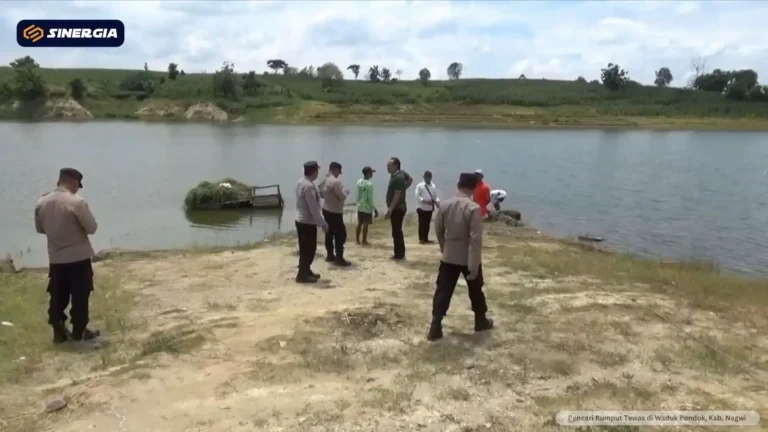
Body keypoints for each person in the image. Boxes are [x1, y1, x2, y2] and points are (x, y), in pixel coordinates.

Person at [35, 168, 101, 344]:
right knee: (80, 295)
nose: (77, 189)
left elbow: (40, 229)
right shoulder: (77, 203)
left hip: (56, 258)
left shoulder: (41, 203)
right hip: (78, 257)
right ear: (73, 183)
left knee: (58, 295)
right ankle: (79, 331)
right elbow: (92, 228)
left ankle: (59, 330)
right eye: (77, 186)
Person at [428, 172, 494, 342]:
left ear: (458, 186)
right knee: (475, 289)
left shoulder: (445, 205)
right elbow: (475, 239)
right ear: (473, 188)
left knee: (443, 290)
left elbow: (438, 230)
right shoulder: (473, 208)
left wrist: (445, 247)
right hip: (467, 257)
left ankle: (436, 324)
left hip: (449, 255)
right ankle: (480, 321)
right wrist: (473, 265)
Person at [295, 161, 329, 283]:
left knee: (306, 247)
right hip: (307, 222)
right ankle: (302, 275)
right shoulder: (308, 187)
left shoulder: (301, 182)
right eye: (317, 171)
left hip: (300, 219)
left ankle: (306, 270)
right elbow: (313, 208)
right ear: (314, 172)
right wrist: (323, 223)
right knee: (308, 249)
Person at [320, 162, 351, 266]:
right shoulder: (335, 182)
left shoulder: (323, 179)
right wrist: (346, 192)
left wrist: (329, 197)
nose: (339, 174)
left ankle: (330, 255)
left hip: (326, 208)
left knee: (329, 233)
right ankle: (339, 258)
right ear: (335, 169)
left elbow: (320, 193)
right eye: (338, 171)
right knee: (340, 234)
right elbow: (342, 196)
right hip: (335, 212)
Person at [384, 157, 412, 260]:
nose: (387, 167)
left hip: (398, 208)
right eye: (387, 165)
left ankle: (399, 254)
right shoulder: (401, 173)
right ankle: (400, 253)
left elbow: (396, 195)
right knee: (396, 231)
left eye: (389, 165)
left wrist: (390, 210)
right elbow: (410, 180)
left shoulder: (398, 178)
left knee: (396, 231)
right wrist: (404, 187)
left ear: (396, 166)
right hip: (398, 207)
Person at [414, 170, 440, 244]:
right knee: (421, 223)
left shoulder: (433, 186)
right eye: (426, 177)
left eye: (429, 177)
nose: (428, 178)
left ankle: (426, 238)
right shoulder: (420, 185)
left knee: (427, 223)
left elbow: (435, 196)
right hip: (421, 207)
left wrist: (438, 203)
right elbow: (417, 195)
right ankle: (421, 239)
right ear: (424, 177)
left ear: (431, 177)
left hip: (429, 208)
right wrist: (424, 200)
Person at [355, 166, 379, 245]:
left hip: (360, 205)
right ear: (368, 173)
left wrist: (358, 203)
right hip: (367, 207)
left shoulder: (359, 182)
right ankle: (364, 241)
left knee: (359, 223)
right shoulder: (369, 184)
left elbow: (357, 194)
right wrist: (374, 209)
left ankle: (357, 240)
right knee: (365, 224)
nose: (372, 174)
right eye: (371, 172)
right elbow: (370, 198)